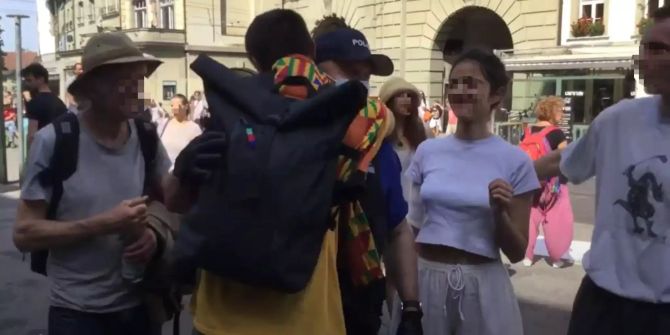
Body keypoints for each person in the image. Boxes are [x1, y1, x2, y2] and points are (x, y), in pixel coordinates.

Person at [169, 9, 349, 335]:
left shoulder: (228, 118)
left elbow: (175, 201)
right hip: (306, 320)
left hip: (219, 319)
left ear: (253, 58)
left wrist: (182, 169)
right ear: (311, 51)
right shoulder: (339, 117)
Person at [13, 32, 172, 335]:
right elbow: (24, 234)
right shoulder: (55, 141)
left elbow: (166, 199)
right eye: (125, 81)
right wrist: (103, 224)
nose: (137, 90)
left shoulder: (146, 136)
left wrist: (153, 232)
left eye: (139, 80)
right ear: (93, 88)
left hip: (139, 307)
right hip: (76, 314)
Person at [535, 7, 670, 335]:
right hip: (602, 305)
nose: (643, 58)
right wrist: (509, 173)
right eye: (644, 46)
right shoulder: (618, 119)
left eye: (657, 49)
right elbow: (562, 163)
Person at [406, 49, 539, 335]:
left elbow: (516, 252)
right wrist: (404, 294)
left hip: (484, 287)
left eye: (471, 82)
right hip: (427, 279)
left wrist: (498, 213)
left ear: (496, 94)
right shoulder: (428, 151)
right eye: (454, 83)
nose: (460, 91)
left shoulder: (516, 161)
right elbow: (410, 229)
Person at [313, 18, 422, 335]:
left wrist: (412, 307)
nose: (360, 81)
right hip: (300, 303)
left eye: (365, 74)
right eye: (349, 70)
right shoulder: (292, 133)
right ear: (316, 69)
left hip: (361, 300)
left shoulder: (379, 147)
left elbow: (398, 230)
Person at [521, 96, 573, 268]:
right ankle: (557, 258)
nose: (562, 114)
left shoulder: (528, 131)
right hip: (553, 183)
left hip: (531, 181)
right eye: (559, 110)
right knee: (556, 218)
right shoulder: (556, 133)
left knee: (530, 217)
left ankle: (527, 256)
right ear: (551, 112)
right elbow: (564, 159)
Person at [21, 63, 67, 148]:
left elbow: (32, 135)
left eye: (29, 80)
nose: (27, 84)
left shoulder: (34, 103)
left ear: (41, 79)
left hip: (42, 150)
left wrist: (31, 157)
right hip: (59, 150)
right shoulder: (60, 102)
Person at [159, 94, 202, 168]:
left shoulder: (194, 128)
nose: (174, 108)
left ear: (186, 106)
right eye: (172, 105)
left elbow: (199, 156)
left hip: (181, 176)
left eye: (179, 105)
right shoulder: (164, 123)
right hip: (160, 176)